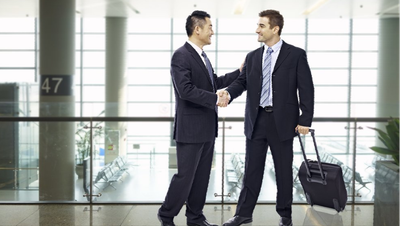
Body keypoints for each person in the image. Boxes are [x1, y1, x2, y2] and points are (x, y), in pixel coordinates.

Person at [219, 9, 314, 226]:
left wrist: (305, 119)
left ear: (275, 28)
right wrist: (228, 93)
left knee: (283, 171)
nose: (257, 30)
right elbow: (242, 82)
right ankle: (243, 214)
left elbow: (306, 89)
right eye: (258, 25)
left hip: (283, 122)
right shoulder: (253, 56)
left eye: (261, 25)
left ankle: (285, 216)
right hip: (256, 120)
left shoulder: (296, 54)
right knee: (252, 170)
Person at [157, 10, 242, 226]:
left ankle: (195, 217)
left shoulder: (202, 56)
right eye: (210, 27)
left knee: (202, 177)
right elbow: (185, 90)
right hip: (191, 129)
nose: (213, 31)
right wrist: (216, 98)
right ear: (197, 29)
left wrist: (239, 72)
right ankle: (166, 214)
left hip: (207, 128)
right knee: (185, 177)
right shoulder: (181, 55)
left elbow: (213, 81)